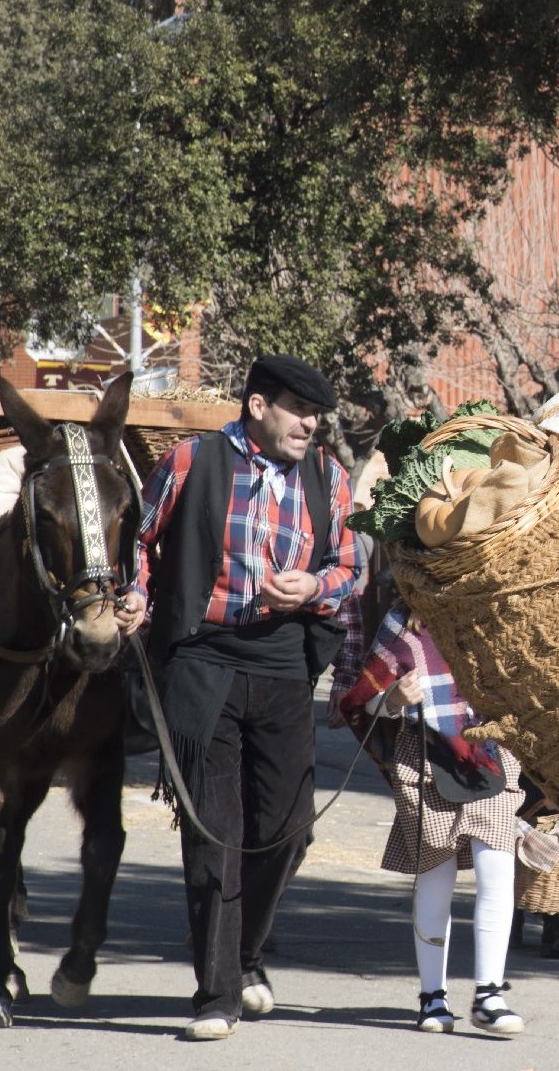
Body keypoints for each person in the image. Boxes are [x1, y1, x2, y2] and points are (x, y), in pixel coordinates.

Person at [118, 354, 362, 1041]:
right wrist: (137, 591)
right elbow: (135, 536)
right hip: (203, 659)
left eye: (317, 414)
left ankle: (247, 953)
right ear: (257, 407)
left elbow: (349, 565)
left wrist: (315, 589)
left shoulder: (329, 477)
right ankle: (217, 992)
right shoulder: (193, 461)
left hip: (286, 664)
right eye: (298, 409)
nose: (311, 424)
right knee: (213, 832)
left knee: (288, 828)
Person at [338, 602, 526, 1035]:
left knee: (496, 868)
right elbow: (362, 705)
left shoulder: (501, 610)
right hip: (423, 759)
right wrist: (393, 700)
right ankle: (432, 997)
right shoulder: (402, 622)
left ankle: (489, 994)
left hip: (491, 755)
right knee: (435, 875)